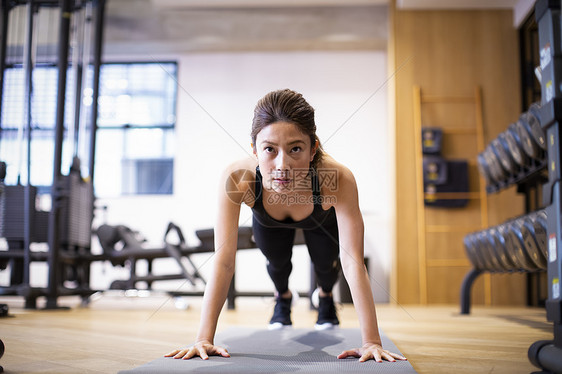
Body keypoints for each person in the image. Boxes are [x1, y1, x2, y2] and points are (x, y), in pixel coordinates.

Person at [165, 89, 407, 363]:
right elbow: (223, 262)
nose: (283, 165)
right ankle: (283, 297)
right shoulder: (237, 178)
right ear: (254, 148)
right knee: (277, 264)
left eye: (295, 149)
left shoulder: (337, 178)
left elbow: (352, 262)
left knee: (326, 267)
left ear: (312, 147)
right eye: (270, 149)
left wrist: (371, 342)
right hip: (269, 223)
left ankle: (325, 297)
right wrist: (203, 339)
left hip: (320, 221)